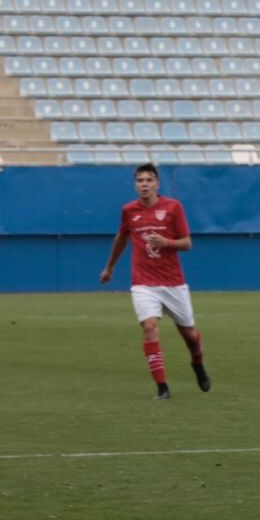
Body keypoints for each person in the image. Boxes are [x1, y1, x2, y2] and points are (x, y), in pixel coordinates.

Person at [98, 163, 209, 400]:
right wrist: (109, 267)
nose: (144, 184)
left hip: (173, 282)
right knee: (149, 328)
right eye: (140, 181)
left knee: (190, 335)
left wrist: (166, 243)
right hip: (143, 283)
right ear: (135, 185)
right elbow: (121, 238)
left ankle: (197, 362)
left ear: (157, 184)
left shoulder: (173, 207)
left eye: (149, 180)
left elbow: (187, 243)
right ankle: (162, 388)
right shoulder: (129, 210)